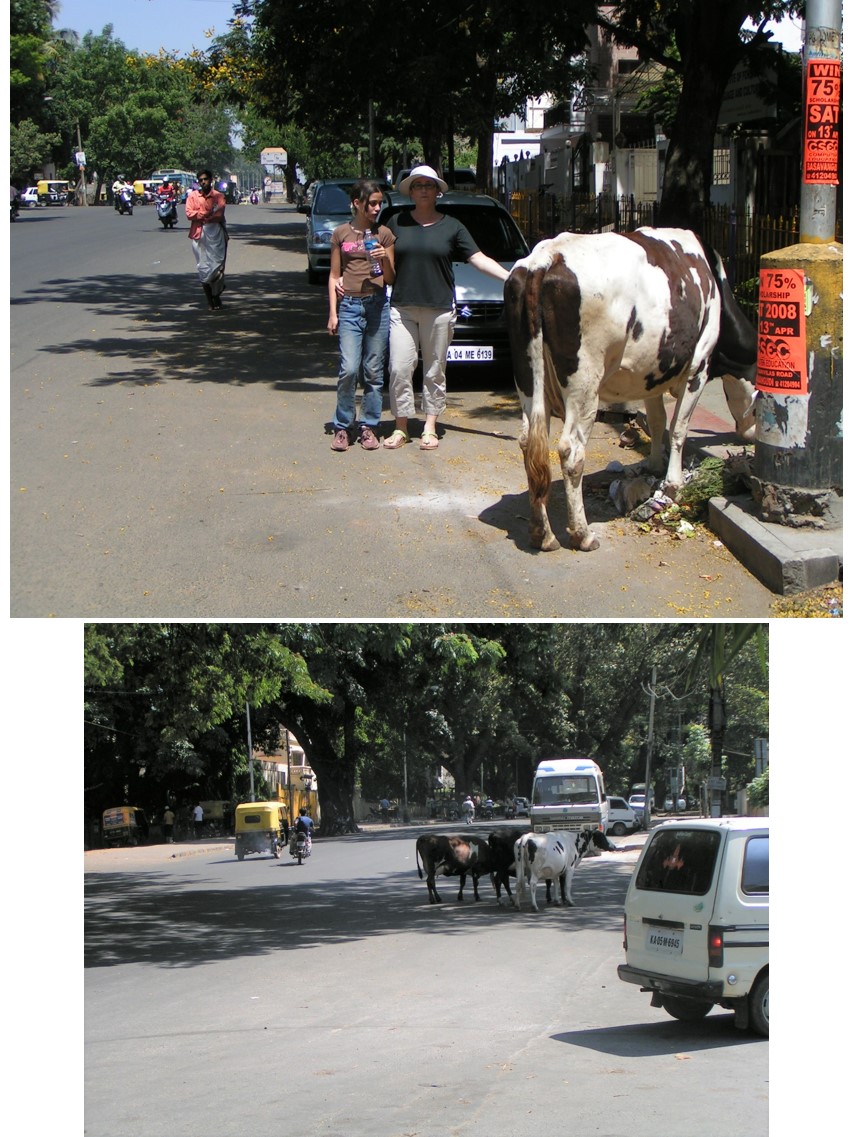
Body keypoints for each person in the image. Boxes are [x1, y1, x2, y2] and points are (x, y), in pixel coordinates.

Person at [382, 165, 510, 450]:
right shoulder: (395, 223)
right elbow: (379, 262)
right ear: (411, 191)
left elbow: (477, 258)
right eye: (418, 185)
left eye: (429, 185)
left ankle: (429, 426)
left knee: (434, 370)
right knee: (400, 368)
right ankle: (401, 426)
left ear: (438, 191)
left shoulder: (452, 226)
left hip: (439, 309)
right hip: (402, 307)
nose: (424, 189)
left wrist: (510, 276)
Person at [327, 179, 396, 451]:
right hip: (350, 307)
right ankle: (342, 426)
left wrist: (383, 259)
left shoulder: (385, 235)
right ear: (357, 204)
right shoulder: (341, 234)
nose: (377, 208)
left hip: (377, 305)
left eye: (380, 203)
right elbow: (334, 276)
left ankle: (369, 425)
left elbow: (390, 278)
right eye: (373, 203)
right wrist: (333, 313)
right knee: (349, 369)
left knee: (373, 371)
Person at [185, 169, 228, 311]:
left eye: (205, 179)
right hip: (199, 234)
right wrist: (205, 214)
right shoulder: (192, 196)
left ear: (211, 180)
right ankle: (210, 301)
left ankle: (217, 296)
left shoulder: (218, 196)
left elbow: (219, 214)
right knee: (203, 268)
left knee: (218, 268)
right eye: (200, 180)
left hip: (216, 234)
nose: (203, 182)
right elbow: (189, 213)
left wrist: (206, 216)